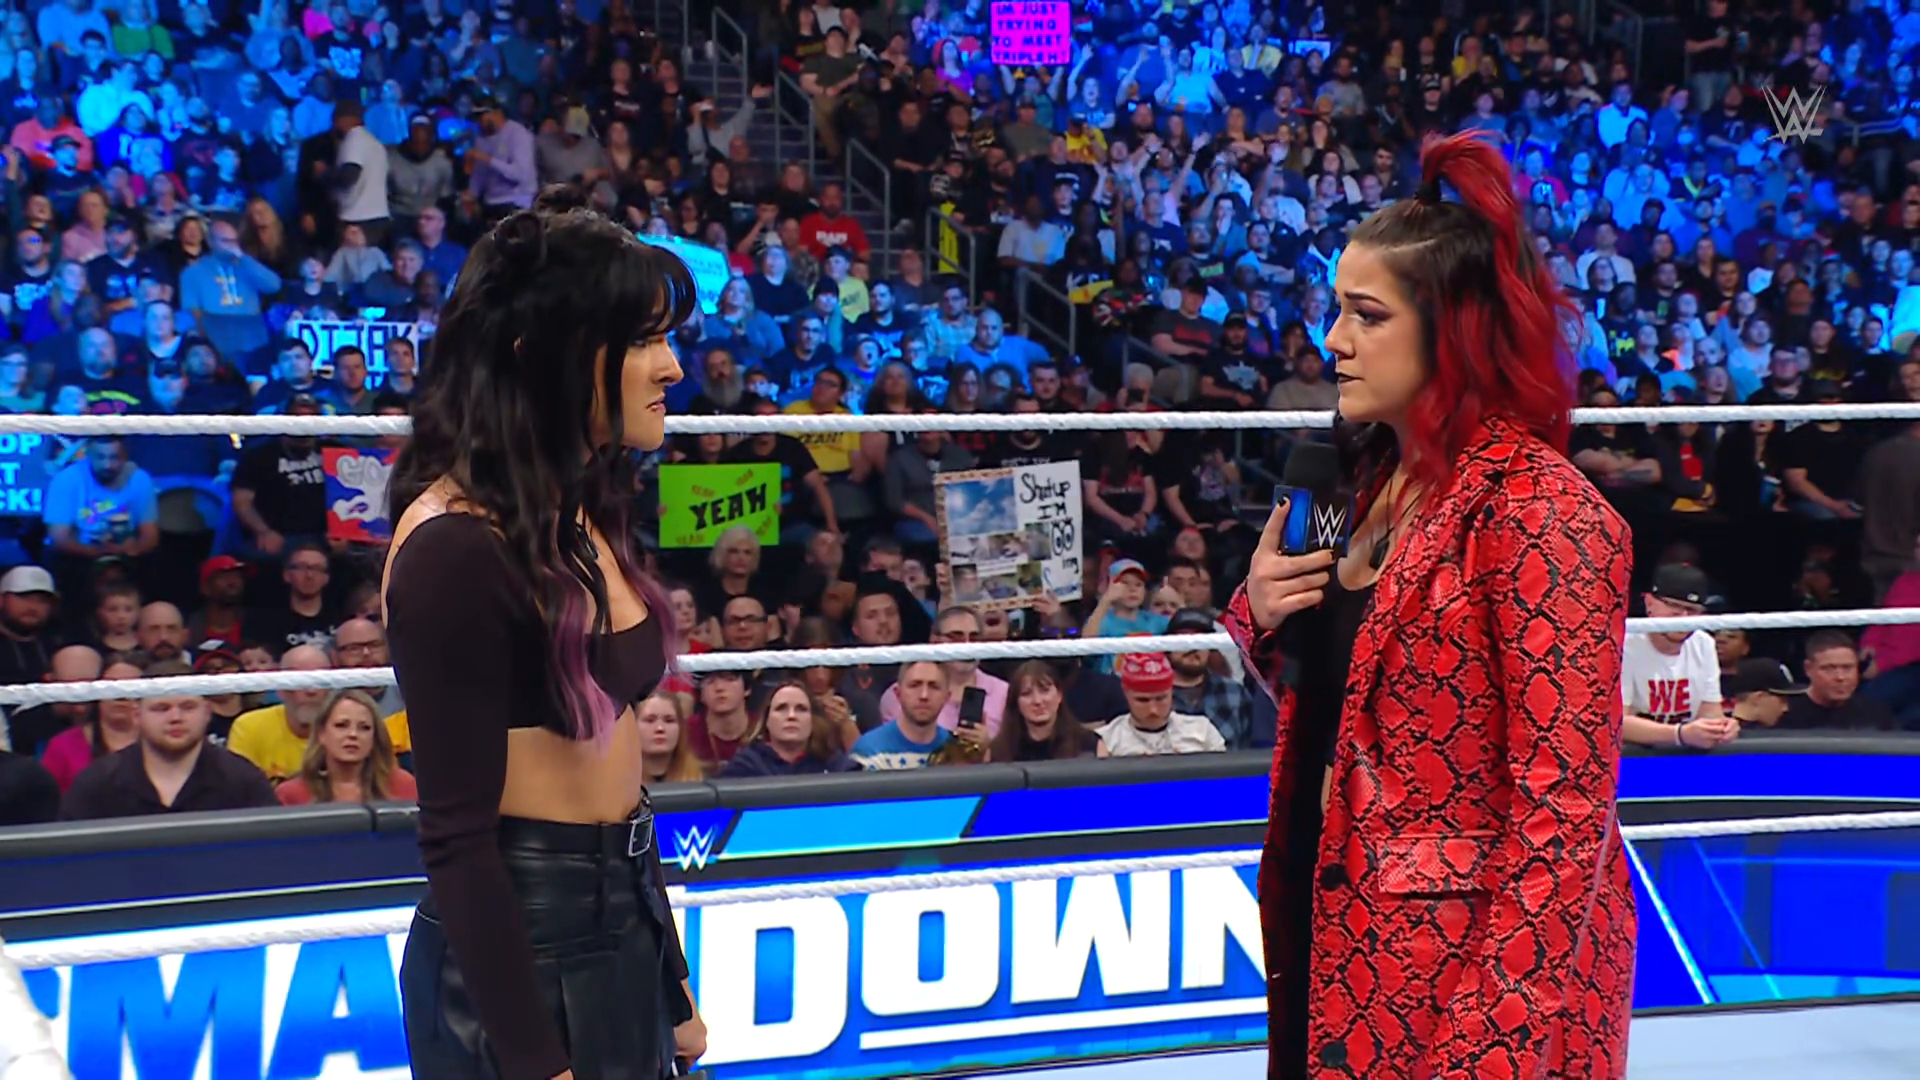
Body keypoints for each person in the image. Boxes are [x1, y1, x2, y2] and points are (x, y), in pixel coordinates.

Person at [1226, 134, 1634, 1080]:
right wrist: (1260, 611)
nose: (1334, 341)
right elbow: (1328, 689)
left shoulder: (1541, 514)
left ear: (1453, 330)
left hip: (1467, 980)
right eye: (1337, 308)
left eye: (1367, 315)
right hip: (1334, 933)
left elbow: (1563, 812)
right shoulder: (1349, 474)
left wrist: (1493, 1045)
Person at [382, 191, 705, 1080]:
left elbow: (618, 775)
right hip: (517, 964)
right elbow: (457, 838)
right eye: (641, 340)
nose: (673, 367)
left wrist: (672, 981)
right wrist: (535, 1061)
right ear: (544, 355)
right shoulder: (454, 549)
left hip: (622, 932)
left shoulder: (581, 506)